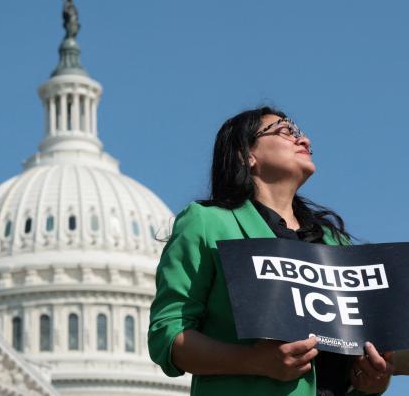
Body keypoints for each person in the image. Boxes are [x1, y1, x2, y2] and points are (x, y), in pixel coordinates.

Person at [148, 107, 394, 395]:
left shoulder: (335, 244)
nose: (304, 140)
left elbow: (354, 351)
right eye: (285, 131)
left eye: (302, 134)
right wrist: (255, 362)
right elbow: (168, 334)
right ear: (246, 155)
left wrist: (370, 381)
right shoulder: (208, 223)